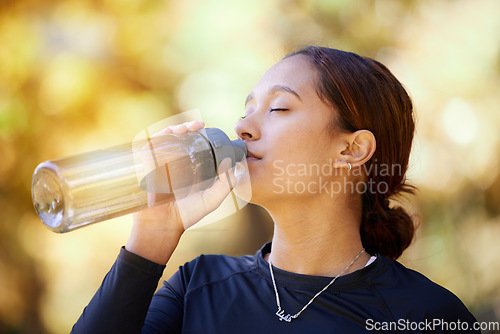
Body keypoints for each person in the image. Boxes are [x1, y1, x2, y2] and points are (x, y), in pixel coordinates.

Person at [71, 46, 479, 333]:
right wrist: (154, 233)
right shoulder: (198, 287)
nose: (242, 128)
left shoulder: (426, 315)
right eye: (246, 110)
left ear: (351, 149)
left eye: (278, 108)